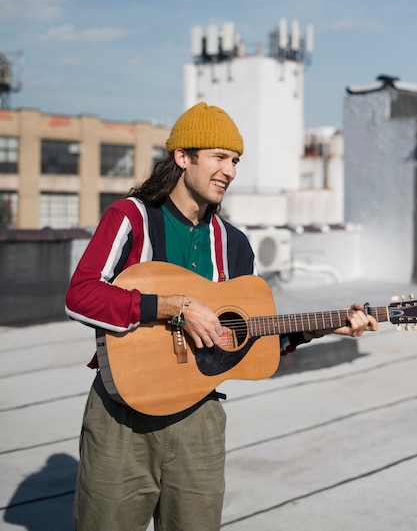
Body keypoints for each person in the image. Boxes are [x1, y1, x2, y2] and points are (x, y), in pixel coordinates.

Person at [66, 102, 378, 531]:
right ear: (182, 157)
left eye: (235, 161)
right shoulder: (132, 218)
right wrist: (173, 307)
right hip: (122, 417)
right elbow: (81, 295)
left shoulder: (234, 244)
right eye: (219, 156)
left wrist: (325, 326)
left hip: (200, 420)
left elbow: (246, 340)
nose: (229, 170)